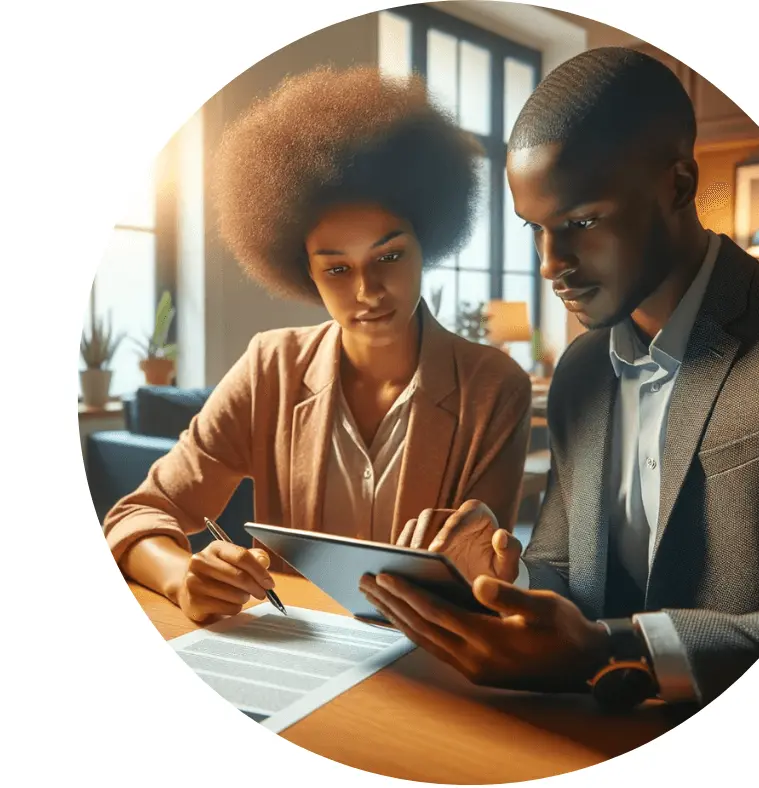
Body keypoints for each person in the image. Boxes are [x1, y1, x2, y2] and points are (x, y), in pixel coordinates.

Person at [363, 47, 759, 709]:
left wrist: (618, 651)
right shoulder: (580, 370)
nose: (550, 263)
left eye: (581, 223)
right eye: (535, 230)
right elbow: (569, 571)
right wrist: (496, 574)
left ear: (680, 185)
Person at [103, 66, 532, 624]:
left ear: (427, 240)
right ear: (303, 271)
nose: (367, 291)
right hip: (297, 648)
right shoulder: (270, 367)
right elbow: (138, 513)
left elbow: (484, 567)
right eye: (336, 269)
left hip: (427, 658)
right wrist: (181, 576)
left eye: (390, 256)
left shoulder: (494, 387)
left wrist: (495, 565)